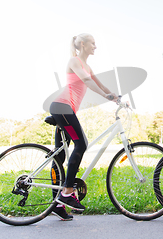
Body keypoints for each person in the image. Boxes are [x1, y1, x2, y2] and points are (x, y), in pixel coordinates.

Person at [49, 33, 117, 220]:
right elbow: (86, 81)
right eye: (93, 43)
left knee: (60, 155)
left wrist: (113, 96)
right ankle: (67, 192)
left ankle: (56, 205)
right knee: (81, 144)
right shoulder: (74, 61)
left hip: (66, 110)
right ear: (83, 44)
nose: (96, 46)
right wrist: (107, 97)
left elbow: (98, 83)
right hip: (62, 107)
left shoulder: (88, 66)